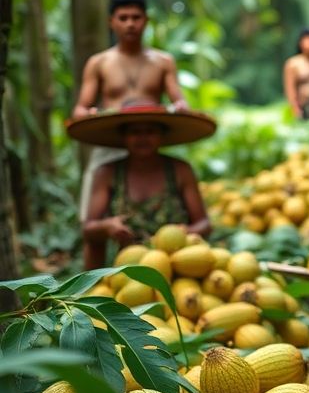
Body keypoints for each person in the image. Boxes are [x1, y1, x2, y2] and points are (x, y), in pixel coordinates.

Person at [72, 0, 189, 233]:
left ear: (146, 20)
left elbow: (179, 101)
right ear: (111, 22)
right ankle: (91, 271)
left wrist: (178, 108)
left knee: (162, 214)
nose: (130, 24)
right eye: (123, 18)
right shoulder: (99, 62)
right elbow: (81, 108)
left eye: (136, 17)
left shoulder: (163, 61)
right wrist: (89, 115)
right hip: (109, 143)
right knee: (93, 223)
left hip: (146, 139)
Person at [67, 103, 215, 269]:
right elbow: (88, 229)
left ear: (162, 135)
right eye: (135, 132)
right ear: (123, 136)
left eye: (150, 131)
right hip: (127, 267)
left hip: (177, 263)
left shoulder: (180, 170)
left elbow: (204, 224)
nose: (142, 138)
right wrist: (107, 227)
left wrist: (182, 233)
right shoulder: (107, 173)